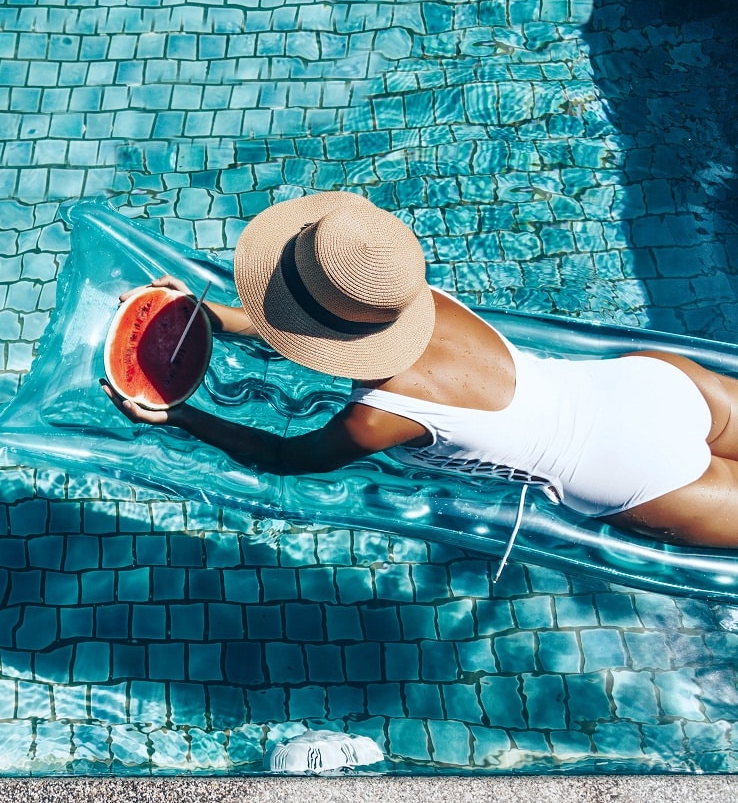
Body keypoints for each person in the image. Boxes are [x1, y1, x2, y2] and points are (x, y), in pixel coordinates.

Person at [101, 191, 738, 548]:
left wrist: (178, 415)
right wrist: (205, 315)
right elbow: (298, 326)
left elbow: (285, 458)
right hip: (656, 383)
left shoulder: (380, 417)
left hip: (631, 477)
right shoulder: (410, 294)